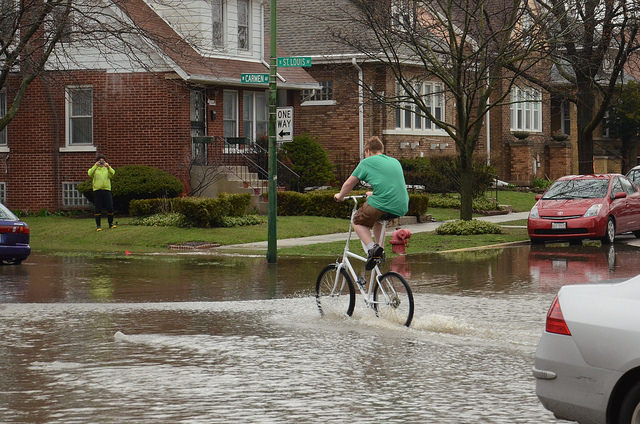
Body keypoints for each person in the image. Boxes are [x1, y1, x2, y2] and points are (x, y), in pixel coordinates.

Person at [334, 136, 409, 270]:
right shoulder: (394, 162)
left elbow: (350, 182)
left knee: (356, 221)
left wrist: (340, 195)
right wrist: (373, 194)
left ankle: (372, 249)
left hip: (383, 202)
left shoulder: (366, 162)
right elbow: (390, 186)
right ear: (381, 150)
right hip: (402, 205)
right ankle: (380, 252)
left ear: (368, 151)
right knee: (377, 220)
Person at [88, 154, 116, 231]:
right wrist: (95, 166)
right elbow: (90, 173)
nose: (101, 162)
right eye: (99, 161)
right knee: (98, 208)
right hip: (97, 190)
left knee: (110, 207)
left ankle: (111, 224)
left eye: (102, 161)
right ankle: (98, 226)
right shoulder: (94, 169)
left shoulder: (107, 169)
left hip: (107, 190)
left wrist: (108, 167)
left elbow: (113, 173)